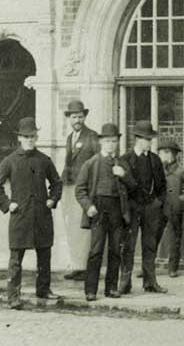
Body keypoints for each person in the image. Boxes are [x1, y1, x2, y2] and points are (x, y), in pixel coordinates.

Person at [0, 117, 63, 310]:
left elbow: (57, 183)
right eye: (26, 136)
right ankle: (13, 296)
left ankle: (43, 290)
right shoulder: (10, 161)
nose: (30, 139)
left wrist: (52, 199)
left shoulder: (44, 160)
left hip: (41, 216)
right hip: (20, 217)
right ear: (19, 138)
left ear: (36, 137)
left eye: (32, 136)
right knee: (15, 260)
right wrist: (7, 204)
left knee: (44, 255)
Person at [74, 123, 133, 302]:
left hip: (117, 210)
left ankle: (111, 288)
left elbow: (133, 187)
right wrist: (88, 206)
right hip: (98, 209)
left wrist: (123, 175)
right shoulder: (91, 163)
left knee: (115, 250)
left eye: (114, 141)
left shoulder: (122, 163)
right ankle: (90, 290)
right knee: (96, 251)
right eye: (107, 141)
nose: (111, 144)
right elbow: (80, 190)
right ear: (101, 142)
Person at [119, 120, 167, 295]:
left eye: (151, 139)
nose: (150, 143)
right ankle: (125, 282)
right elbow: (128, 185)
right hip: (132, 208)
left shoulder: (155, 160)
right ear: (138, 139)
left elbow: (162, 185)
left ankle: (150, 282)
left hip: (150, 209)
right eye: (147, 139)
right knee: (128, 245)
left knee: (150, 245)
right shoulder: (126, 159)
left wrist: (158, 203)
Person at [60, 99, 98, 282]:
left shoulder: (92, 137)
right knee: (72, 229)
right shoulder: (69, 138)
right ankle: (77, 265)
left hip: (85, 191)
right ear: (69, 118)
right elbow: (68, 166)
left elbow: (97, 165)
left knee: (84, 230)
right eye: (74, 116)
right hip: (70, 190)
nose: (77, 120)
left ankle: (85, 267)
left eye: (80, 116)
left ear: (85, 117)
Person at [158, 141, 184, 278]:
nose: (163, 156)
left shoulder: (180, 171)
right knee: (152, 238)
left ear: (174, 155)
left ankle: (173, 268)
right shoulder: (157, 170)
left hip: (174, 209)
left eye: (166, 153)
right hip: (158, 208)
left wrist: (182, 198)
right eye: (162, 153)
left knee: (174, 238)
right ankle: (147, 268)